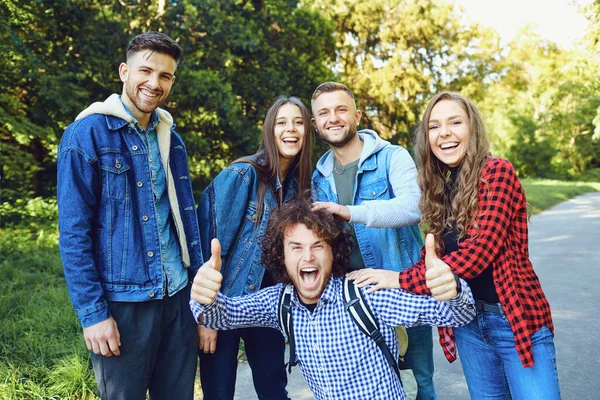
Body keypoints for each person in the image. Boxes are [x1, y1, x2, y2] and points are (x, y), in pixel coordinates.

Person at [348, 92, 561, 399]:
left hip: (513, 318)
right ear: (427, 138)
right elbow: (431, 257)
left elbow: (479, 253)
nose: (444, 132)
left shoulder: (496, 171)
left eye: (455, 122)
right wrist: (389, 277)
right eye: (434, 126)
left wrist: (401, 279)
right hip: (468, 323)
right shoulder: (442, 189)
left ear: (472, 129)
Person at [190, 199, 476, 400]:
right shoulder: (280, 303)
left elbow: (457, 315)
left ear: (333, 253)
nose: (308, 257)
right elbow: (223, 315)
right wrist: (203, 298)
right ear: (282, 256)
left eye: (318, 246)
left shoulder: (364, 295)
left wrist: (452, 289)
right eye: (296, 248)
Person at [57, 32, 202, 399]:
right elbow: (74, 233)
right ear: (124, 71)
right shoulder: (86, 135)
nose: (154, 83)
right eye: (146, 71)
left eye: (165, 76)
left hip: (177, 298)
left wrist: (199, 303)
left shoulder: (173, 139)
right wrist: (93, 314)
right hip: (123, 305)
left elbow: (186, 222)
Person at [309, 82, 436, 399]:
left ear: (357, 114)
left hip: (402, 289)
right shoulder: (318, 176)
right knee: (364, 388)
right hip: (352, 301)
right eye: (324, 113)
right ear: (315, 124)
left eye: (341, 109)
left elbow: (414, 207)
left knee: (421, 385)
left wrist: (351, 212)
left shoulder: (392, 157)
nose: (333, 118)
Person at [196, 96, 312, 399]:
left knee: (274, 388)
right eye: (282, 122)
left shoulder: (301, 186)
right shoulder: (244, 174)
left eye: (298, 122)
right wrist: (206, 316)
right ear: (270, 131)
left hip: (268, 304)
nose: (291, 130)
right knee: (218, 391)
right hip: (225, 302)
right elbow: (208, 248)